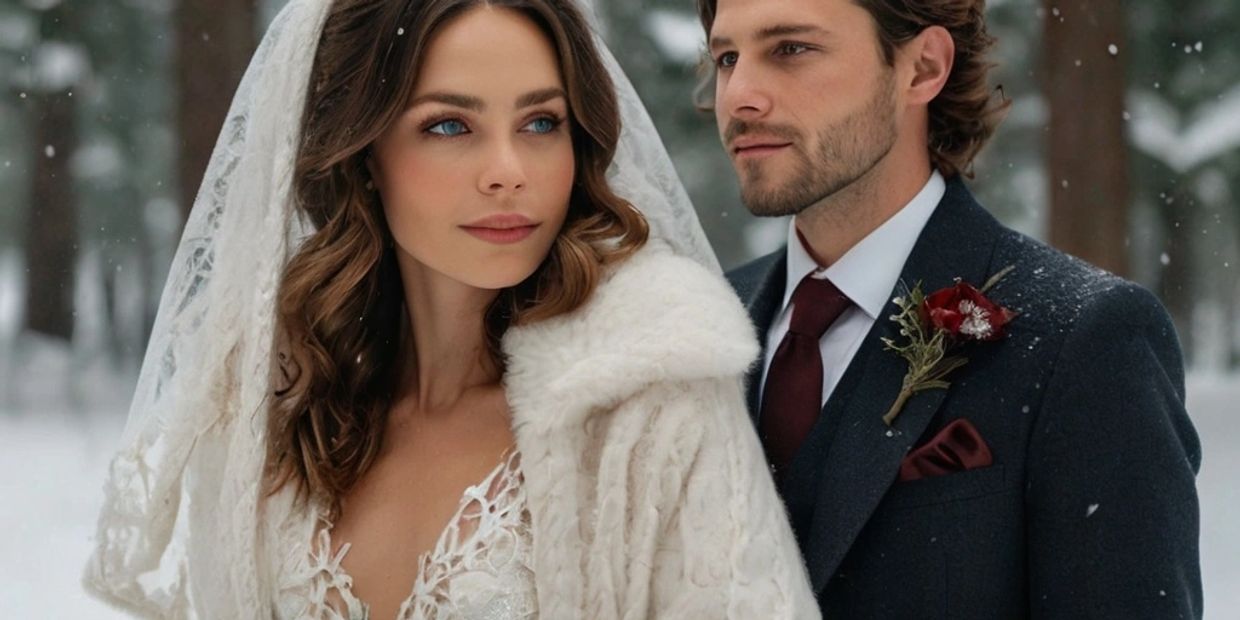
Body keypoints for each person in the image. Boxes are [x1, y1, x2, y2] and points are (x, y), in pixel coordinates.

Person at [83, 0, 820, 617]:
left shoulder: (647, 400)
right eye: (448, 126)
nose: (508, 173)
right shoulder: (278, 401)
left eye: (540, 124)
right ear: (363, 153)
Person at [697, 0, 1203, 617]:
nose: (738, 96)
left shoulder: (1088, 339)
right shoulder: (700, 326)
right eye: (727, 58)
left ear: (922, 68)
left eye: (791, 49)